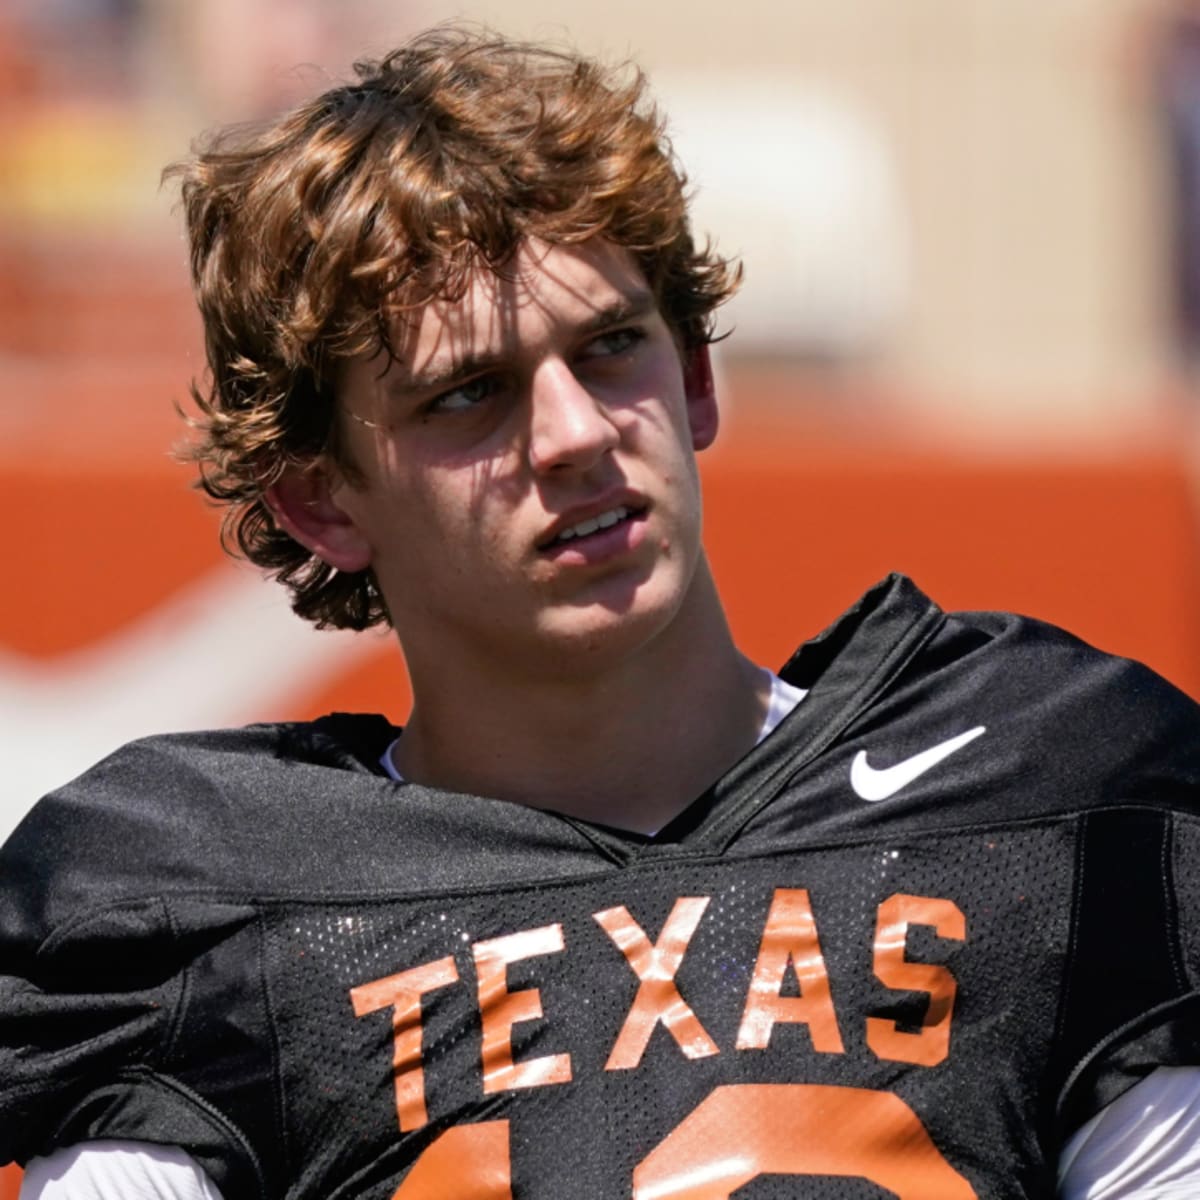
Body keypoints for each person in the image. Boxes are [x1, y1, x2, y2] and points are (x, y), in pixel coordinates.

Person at [2, 24, 1200, 1200]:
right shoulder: (209, 914)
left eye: (613, 347)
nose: (576, 435)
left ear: (695, 376)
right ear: (322, 503)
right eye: (471, 394)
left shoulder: (1040, 784)